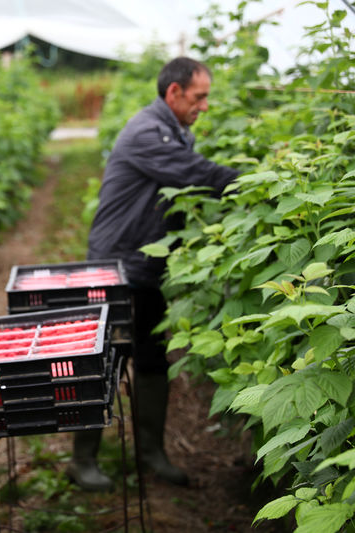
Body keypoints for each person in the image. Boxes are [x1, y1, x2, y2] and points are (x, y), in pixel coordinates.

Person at [68, 57, 239, 490]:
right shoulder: (148, 131)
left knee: (149, 355)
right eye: (199, 97)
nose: (204, 105)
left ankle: (151, 454)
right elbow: (195, 174)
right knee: (99, 358)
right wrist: (253, 180)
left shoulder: (174, 129)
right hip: (115, 262)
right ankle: (81, 461)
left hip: (146, 263)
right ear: (174, 93)